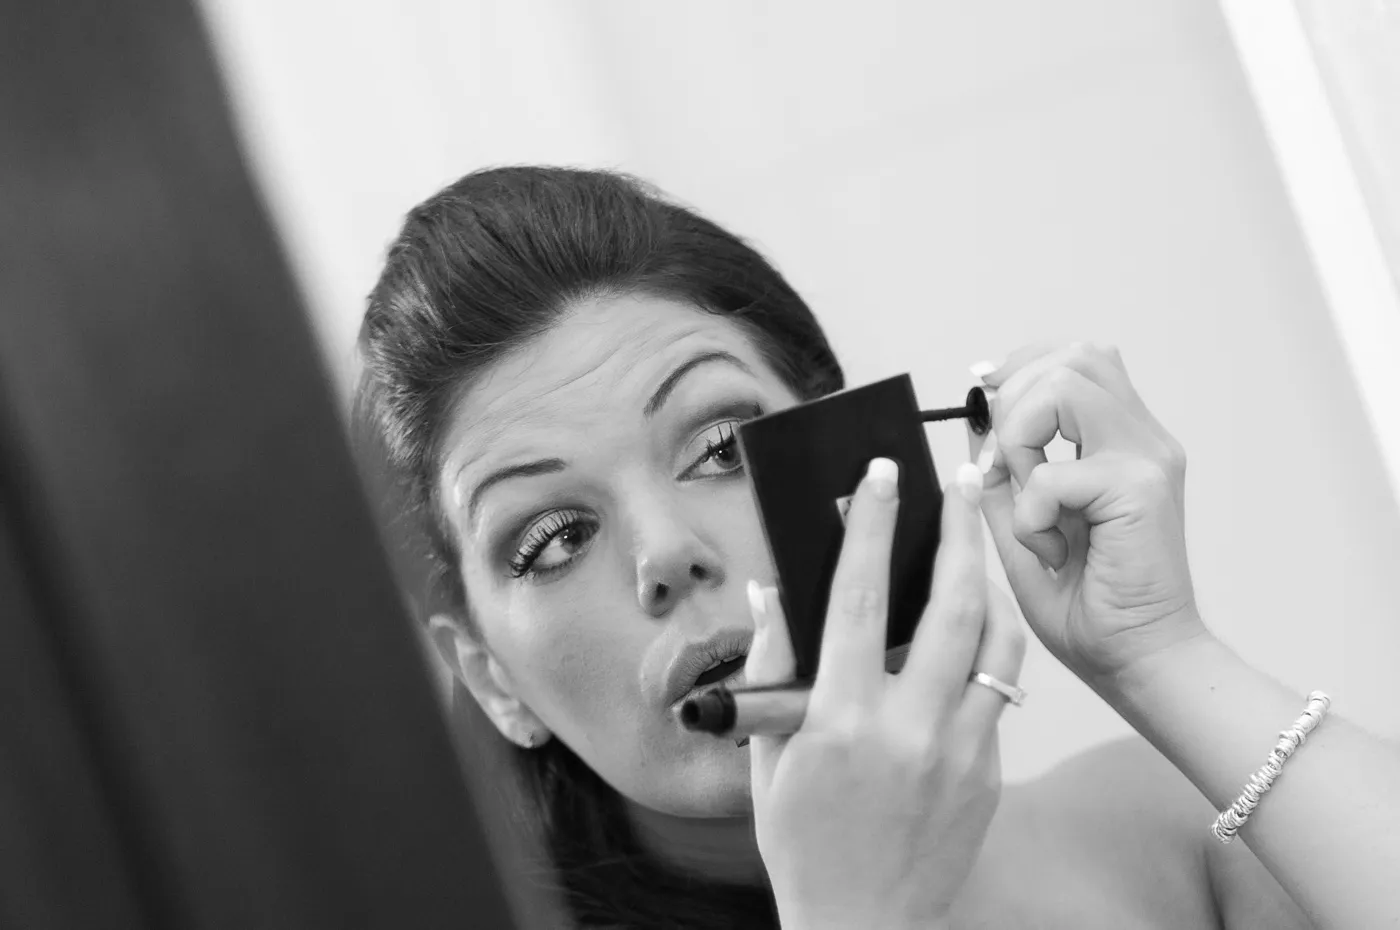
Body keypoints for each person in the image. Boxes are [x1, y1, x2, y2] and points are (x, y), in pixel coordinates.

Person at [355, 166, 1399, 929]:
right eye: (552, 539)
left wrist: (1157, 650)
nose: (666, 553)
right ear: (492, 679)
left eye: (719, 448)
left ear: (856, 459)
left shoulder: (1160, 834)